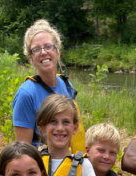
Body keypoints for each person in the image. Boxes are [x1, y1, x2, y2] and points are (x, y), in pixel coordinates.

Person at [12, 19, 85, 153]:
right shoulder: (26, 94)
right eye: (36, 49)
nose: (43, 52)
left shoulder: (67, 86)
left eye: (48, 46)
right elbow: (23, 151)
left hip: (69, 164)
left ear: (58, 51)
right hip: (42, 166)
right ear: (31, 59)